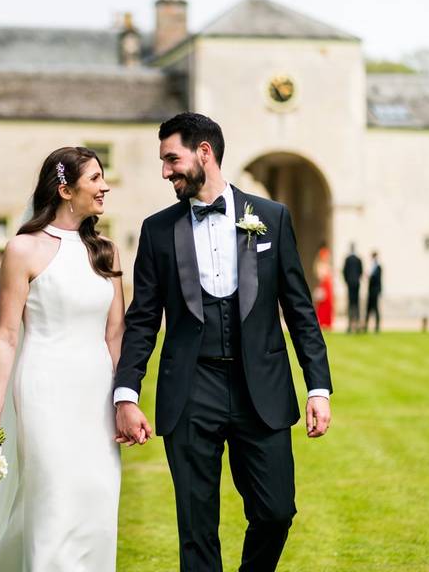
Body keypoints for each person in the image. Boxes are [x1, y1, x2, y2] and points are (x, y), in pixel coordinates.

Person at [114, 113, 333, 571]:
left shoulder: (270, 218)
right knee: (197, 529)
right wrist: (127, 393)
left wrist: (318, 387)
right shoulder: (157, 231)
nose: (165, 171)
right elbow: (143, 320)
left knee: (276, 512)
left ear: (204, 153)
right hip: (191, 390)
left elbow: (299, 309)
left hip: (263, 389)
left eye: (171, 159)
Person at [0, 146, 122, 571]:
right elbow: (6, 336)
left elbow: (116, 332)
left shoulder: (106, 251)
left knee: (97, 498)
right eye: (94, 179)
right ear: (64, 189)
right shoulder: (22, 249)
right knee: (52, 499)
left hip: (96, 392)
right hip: (44, 388)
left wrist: (123, 400)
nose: (105, 186)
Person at [342, 243, 363, 333]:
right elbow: (361, 271)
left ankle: (350, 324)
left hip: (350, 283)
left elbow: (344, 271)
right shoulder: (358, 259)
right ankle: (357, 324)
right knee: (356, 304)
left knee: (351, 303)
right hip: (356, 283)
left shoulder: (347, 259)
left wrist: (347, 281)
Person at [313, 242, 334, 330]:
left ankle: (327, 322)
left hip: (327, 283)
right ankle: (323, 322)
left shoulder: (324, 262)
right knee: (323, 304)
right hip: (325, 282)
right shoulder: (320, 262)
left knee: (328, 303)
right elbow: (319, 273)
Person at [366, 250, 382, 333]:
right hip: (370, 291)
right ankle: (365, 326)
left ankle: (377, 326)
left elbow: (378, 280)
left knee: (375, 309)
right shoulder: (372, 266)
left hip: (375, 291)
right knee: (368, 309)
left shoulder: (378, 267)